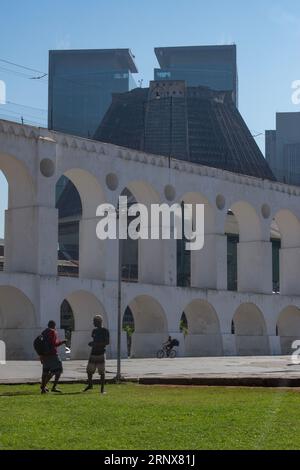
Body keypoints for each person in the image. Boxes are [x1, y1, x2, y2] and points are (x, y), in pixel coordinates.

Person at [83, 315, 110, 394]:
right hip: (93, 353)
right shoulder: (94, 331)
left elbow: (107, 342)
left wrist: (95, 344)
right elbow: (94, 340)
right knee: (89, 371)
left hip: (101, 352)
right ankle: (90, 385)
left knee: (101, 372)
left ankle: (102, 389)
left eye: (94, 321)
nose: (93, 323)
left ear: (99, 322)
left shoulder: (105, 331)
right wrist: (92, 344)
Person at [40, 320, 67, 394]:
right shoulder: (52, 332)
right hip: (53, 355)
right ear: (54, 325)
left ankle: (43, 388)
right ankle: (53, 387)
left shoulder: (43, 332)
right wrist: (62, 342)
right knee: (58, 370)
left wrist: (41, 355)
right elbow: (54, 344)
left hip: (45, 355)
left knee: (45, 372)